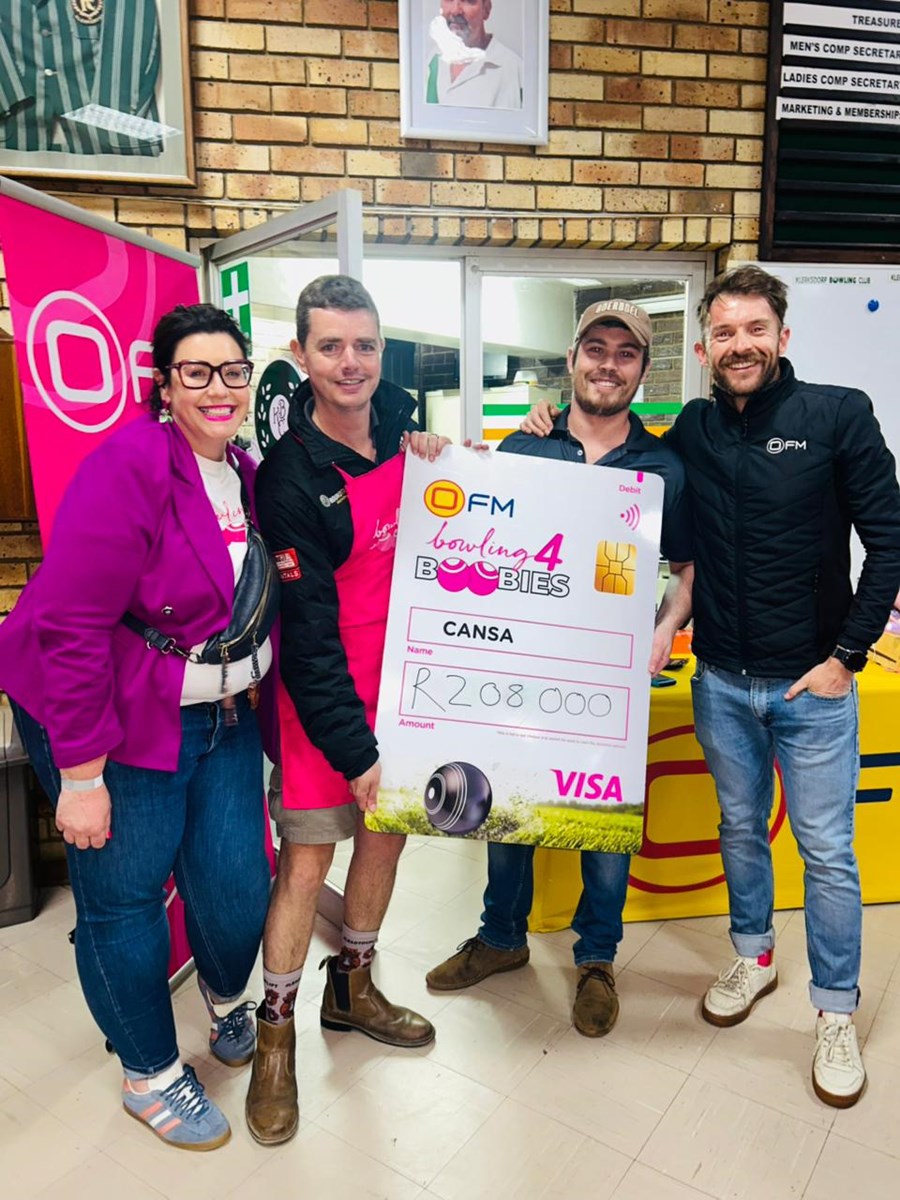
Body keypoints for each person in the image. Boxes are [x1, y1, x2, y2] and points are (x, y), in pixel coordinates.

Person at [522, 267, 900, 1108]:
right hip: (722, 682)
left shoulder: (839, 415)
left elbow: (890, 542)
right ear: (703, 349)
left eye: (755, 329)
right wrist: (542, 424)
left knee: (828, 854)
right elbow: (619, 463)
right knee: (740, 830)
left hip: (813, 686)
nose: (740, 346)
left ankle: (835, 1011)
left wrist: (846, 656)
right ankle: (754, 955)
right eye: (724, 333)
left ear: (782, 337)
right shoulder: (692, 428)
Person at [0, 304, 276, 1149]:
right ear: (165, 385)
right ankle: (149, 1073)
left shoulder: (247, 471)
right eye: (196, 371)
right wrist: (82, 776)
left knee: (236, 887)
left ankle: (225, 999)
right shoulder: (130, 465)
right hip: (118, 718)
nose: (218, 387)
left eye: (233, 370)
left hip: (223, 713)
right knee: (124, 902)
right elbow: (72, 624)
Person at [425, 299, 694, 1038]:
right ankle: (502, 937)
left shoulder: (664, 467)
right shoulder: (524, 448)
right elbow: (476, 536)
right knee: (508, 802)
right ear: (572, 358)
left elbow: (686, 569)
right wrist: (448, 466)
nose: (609, 364)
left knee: (601, 821)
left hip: (610, 678)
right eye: (595, 349)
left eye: (625, 353)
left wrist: (666, 627)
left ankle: (597, 958)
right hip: (525, 668)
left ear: (642, 368)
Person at [246, 275, 449, 1146]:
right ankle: (276, 1036)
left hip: (409, 694)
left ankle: (355, 989)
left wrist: (450, 462)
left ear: (381, 349)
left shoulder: (409, 435)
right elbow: (308, 642)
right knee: (305, 863)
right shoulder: (290, 477)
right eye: (330, 346)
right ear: (302, 355)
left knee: (386, 842)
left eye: (364, 344)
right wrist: (355, 753)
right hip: (323, 708)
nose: (350, 362)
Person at [0, 0, 163, 155]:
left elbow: (132, 35)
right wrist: (10, 94)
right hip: (12, 136)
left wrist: (109, 118)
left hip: (115, 147)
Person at [426, 0, 523, 110]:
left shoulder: (515, 71)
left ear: (486, 9)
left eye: (468, 1)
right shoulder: (433, 59)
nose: (455, 10)